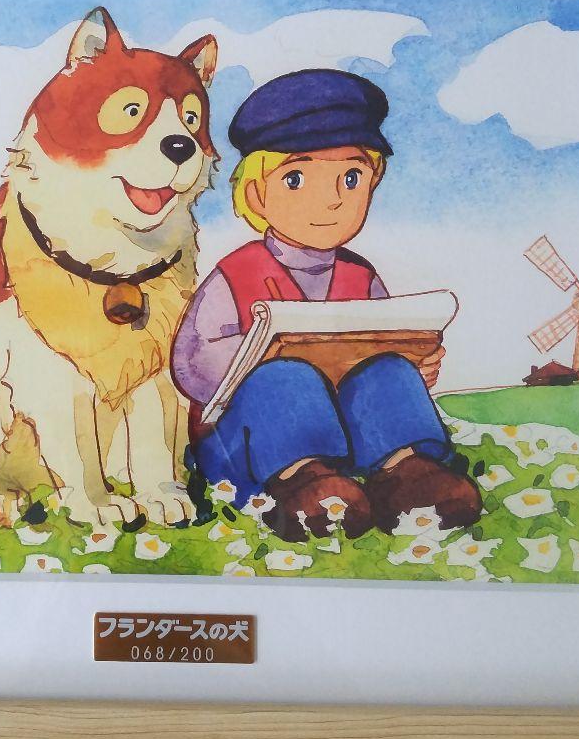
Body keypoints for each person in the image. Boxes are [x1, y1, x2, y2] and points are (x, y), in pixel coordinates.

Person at [171, 69, 481, 542]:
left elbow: (379, 355)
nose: (331, 200)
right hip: (248, 449)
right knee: (283, 376)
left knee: (386, 371)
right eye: (296, 178)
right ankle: (301, 480)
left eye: (351, 178)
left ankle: (408, 473)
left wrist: (414, 365)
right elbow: (191, 364)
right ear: (256, 193)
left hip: (347, 445)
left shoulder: (361, 276)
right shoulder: (235, 275)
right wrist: (259, 356)